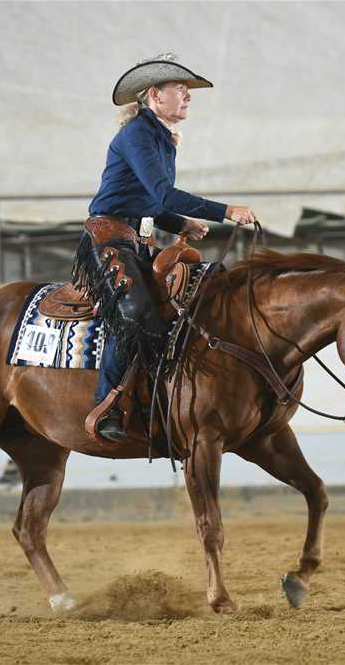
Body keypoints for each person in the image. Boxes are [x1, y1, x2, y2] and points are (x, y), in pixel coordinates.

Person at [72, 53, 256, 443]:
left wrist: (180, 224)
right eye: (181, 89)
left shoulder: (159, 137)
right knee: (135, 311)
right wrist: (226, 211)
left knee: (199, 289)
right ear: (155, 95)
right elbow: (164, 194)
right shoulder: (138, 134)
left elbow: (151, 203)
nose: (188, 96)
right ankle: (106, 405)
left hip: (139, 240)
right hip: (108, 239)